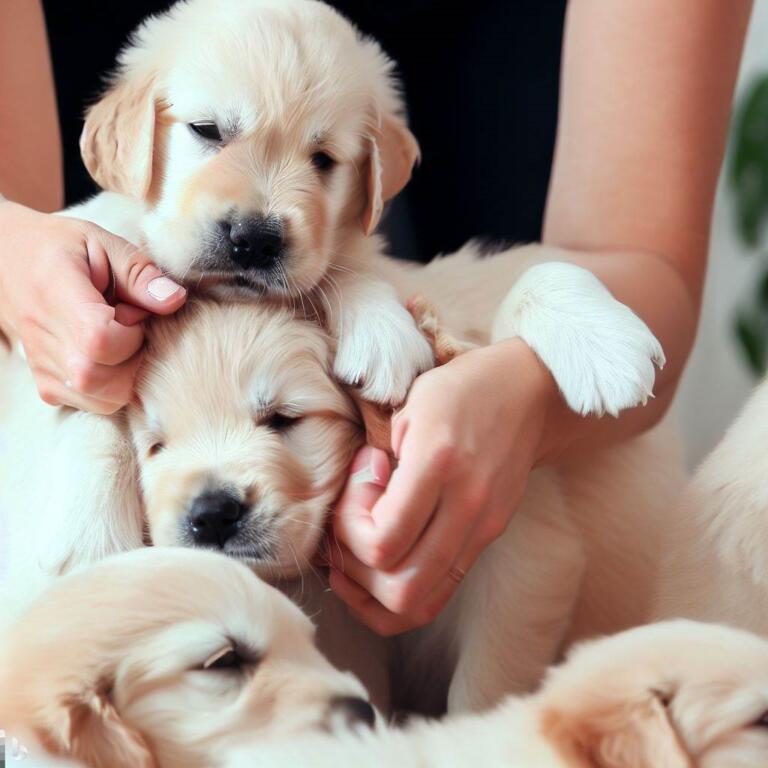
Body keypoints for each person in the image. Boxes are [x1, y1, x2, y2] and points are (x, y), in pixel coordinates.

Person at [0, 0, 753, 636]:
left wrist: (525, 403)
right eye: (208, 133)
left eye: (324, 160)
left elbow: (638, 278)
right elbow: (24, 239)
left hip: (477, 462)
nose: (258, 217)